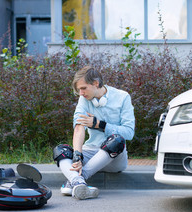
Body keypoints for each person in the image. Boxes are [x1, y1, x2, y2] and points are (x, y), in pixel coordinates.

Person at [53, 66, 135, 200]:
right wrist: (77, 156)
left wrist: (100, 125)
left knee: (116, 140)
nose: (81, 93)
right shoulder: (84, 99)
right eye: (79, 89)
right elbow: (79, 127)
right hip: (90, 152)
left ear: (96, 83)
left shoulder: (122, 97)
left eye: (83, 88)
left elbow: (129, 133)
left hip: (114, 157)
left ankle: (75, 180)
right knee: (60, 150)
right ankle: (79, 183)